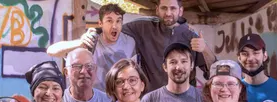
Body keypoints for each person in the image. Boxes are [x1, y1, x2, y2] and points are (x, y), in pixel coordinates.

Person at [81, 0, 216, 92]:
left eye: (173, 8)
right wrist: (93, 32)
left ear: (180, 11)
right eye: (164, 8)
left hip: (184, 99)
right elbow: (114, 28)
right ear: (157, 10)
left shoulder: (191, 35)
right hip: (151, 99)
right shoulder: (142, 28)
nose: (168, 13)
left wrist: (205, 49)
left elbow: (213, 71)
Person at [47, 4, 135, 92]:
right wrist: (80, 43)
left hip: (119, 98)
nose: (114, 26)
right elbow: (51, 51)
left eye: (118, 21)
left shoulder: (130, 42)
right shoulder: (91, 41)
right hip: (93, 98)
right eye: (109, 21)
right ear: (100, 23)